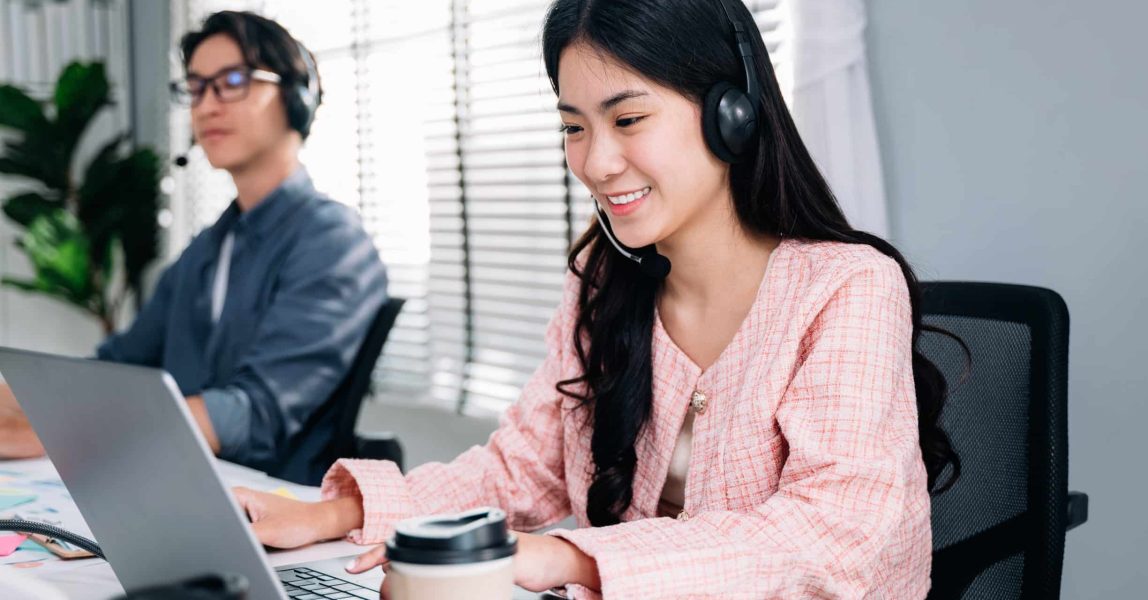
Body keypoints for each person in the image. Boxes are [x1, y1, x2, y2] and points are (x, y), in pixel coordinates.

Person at [231, 0, 960, 596]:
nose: (597, 162)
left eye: (628, 119)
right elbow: (523, 465)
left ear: (729, 115)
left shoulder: (846, 287)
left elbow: (832, 534)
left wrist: (570, 559)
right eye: (574, 127)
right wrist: (335, 514)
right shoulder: (605, 286)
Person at [0, 11, 388, 486]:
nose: (206, 105)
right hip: (180, 480)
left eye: (232, 81)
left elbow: (255, 414)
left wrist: (62, 435)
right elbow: (120, 365)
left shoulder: (333, 242)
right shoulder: (208, 248)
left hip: (277, 502)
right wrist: (21, 397)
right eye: (197, 87)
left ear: (296, 97)